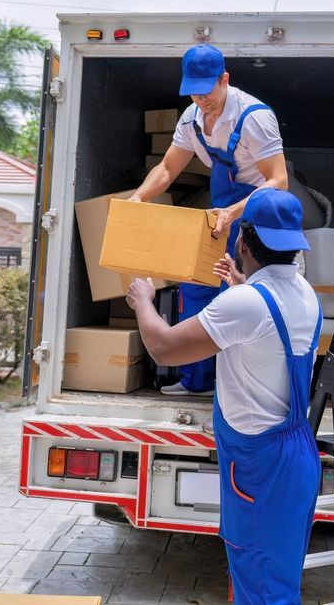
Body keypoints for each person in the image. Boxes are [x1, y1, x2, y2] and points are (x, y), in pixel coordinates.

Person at [125, 188, 321, 604]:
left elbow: (163, 346)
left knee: (260, 587)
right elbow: (264, 326)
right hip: (295, 453)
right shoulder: (306, 293)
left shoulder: (245, 303)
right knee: (274, 580)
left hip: (257, 463)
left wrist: (143, 301)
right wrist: (241, 283)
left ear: (243, 242)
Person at [128, 43, 288, 396]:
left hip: (256, 218)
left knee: (242, 295)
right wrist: (140, 197)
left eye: (206, 92)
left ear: (224, 79)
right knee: (195, 285)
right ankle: (195, 381)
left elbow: (279, 180)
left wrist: (234, 212)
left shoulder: (254, 117)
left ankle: (244, 388)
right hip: (220, 214)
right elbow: (169, 167)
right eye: (193, 93)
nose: (201, 100)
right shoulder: (192, 119)